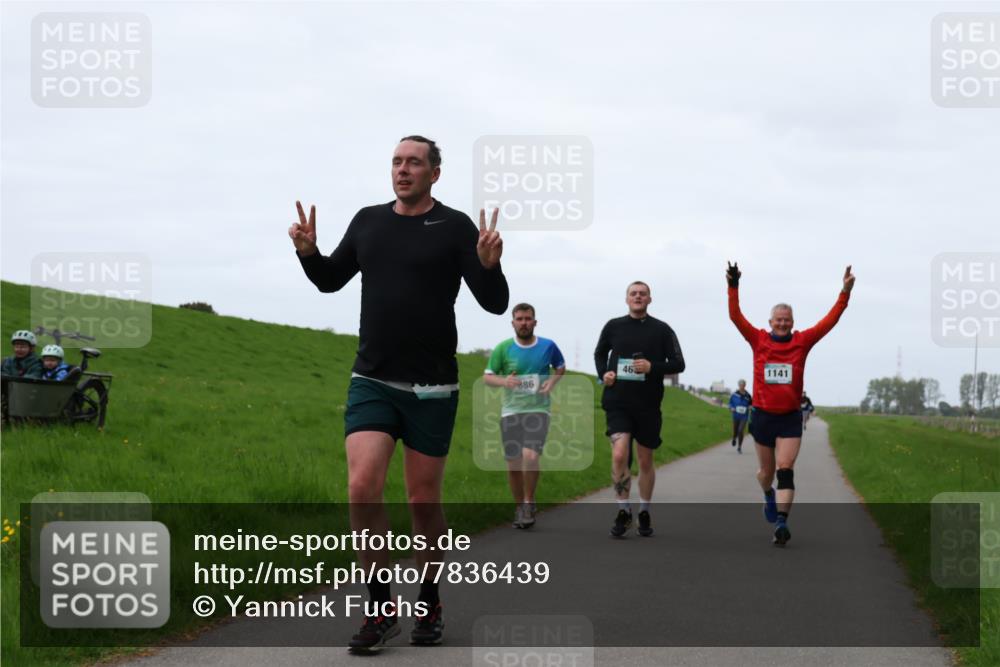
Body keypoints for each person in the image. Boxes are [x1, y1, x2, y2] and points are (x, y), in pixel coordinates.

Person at [289, 136, 509, 652]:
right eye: (396, 161)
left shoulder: (455, 227)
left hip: (433, 385)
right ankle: (381, 606)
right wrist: (309, 254)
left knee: (422, 500)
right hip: (372, 378)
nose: (402, 169)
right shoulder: (368, 221)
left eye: (414, 162)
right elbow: (329, 281)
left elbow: (495, 303)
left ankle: (428, 596)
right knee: (362, 486)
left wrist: (488, 263)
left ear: (435, 173)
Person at [727, 262, 854, 546]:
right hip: (761, 417)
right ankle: (768, 495)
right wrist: (733, 287)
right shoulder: (758, 339)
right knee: (766, 473)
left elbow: (829, 321)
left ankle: (782, 524)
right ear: (770, 322)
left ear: (792, 322)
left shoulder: (802, 341)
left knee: (785, 468)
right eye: (778, 319)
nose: (782, 323)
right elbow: (736, 317)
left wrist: (844, 292)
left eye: (787, 319)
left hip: (789, 418)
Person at [594, 281, 686, 538]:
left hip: (647, 405)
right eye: (633, 293)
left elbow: (679, 363)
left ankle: (644, 509)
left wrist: (651, 367)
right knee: (619, 454)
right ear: (626, 299)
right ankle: (623, 510)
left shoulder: (663, 330)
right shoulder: (613, 326)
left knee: (645, 460)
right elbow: (600, 353)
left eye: (642, 293)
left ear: (649, 299)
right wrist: (605, 374)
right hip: (617, 402)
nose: (638, 297)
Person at [484, 303, 566, 529]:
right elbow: (488, 377)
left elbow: (560, 366)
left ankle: (530, 501)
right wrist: (505, 381)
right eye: (519, 319)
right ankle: (519, 506)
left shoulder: (548, 346)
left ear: (535, 322)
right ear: (513, 323)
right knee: (513, 464)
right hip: (510, 412)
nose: (524, 323)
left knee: (530, 457)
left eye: (528, 318)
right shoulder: (503, 348)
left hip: (538, 410)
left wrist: (552, 381)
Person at [728, 380, 753, 453]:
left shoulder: (748, 396)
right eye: (740, 385)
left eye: (743, 385)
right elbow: (730, 404)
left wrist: (750, 407)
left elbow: (751, 405)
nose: (742, 386)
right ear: (738, 385)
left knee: (740, 430)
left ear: (745, 385)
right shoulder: (734, 394)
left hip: (744, 416)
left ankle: (739, 447)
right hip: (736, 415)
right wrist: (731, 408)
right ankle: (734, 438)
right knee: (735, 430)